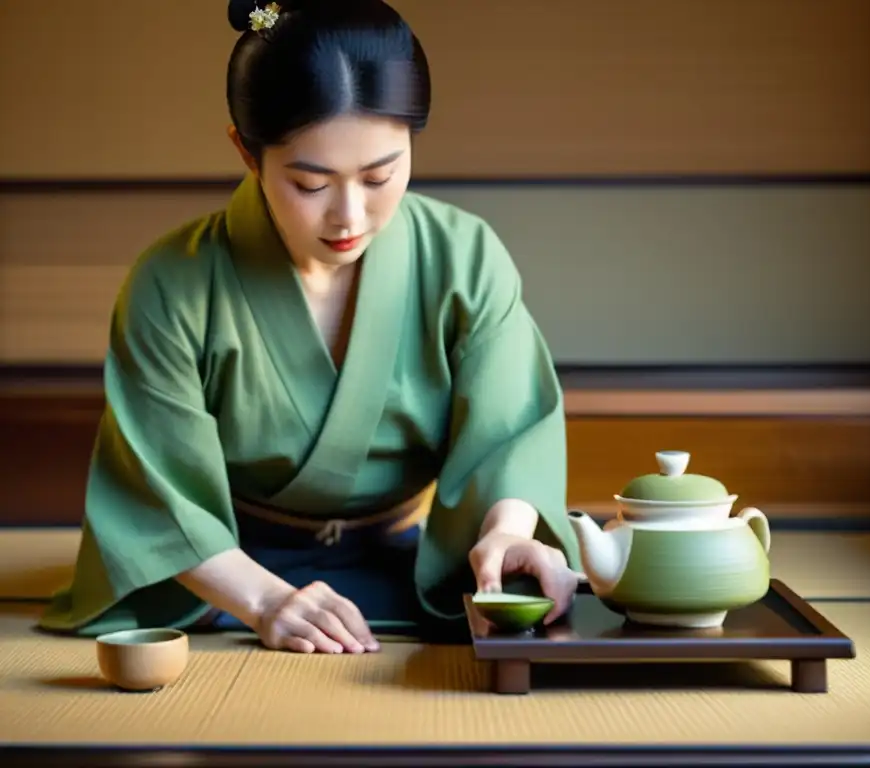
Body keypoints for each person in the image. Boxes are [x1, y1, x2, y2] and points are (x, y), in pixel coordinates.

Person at [38, 0, 582, 654]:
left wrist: (507, 535)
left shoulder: (464, 258)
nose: (348, 215)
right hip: (221, 580)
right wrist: (264, 602)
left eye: (381, 175)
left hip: (409, 569)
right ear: (247, 151)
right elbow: (158, 494)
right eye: (309, 182)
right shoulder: (171, 284)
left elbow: (510, 436)